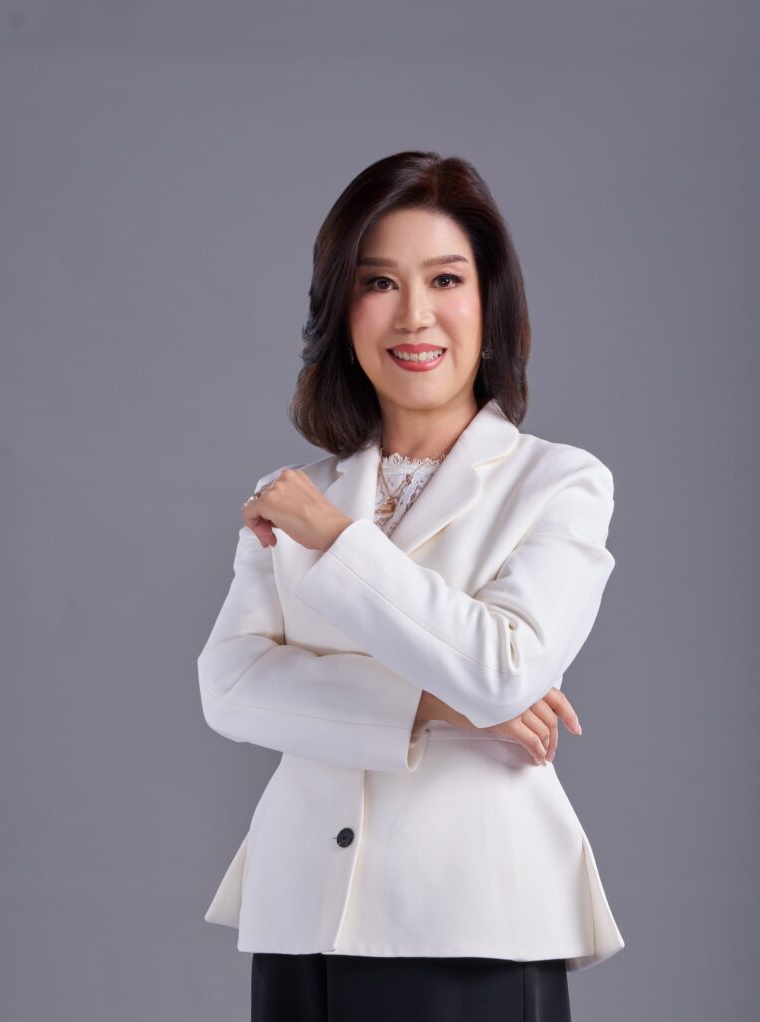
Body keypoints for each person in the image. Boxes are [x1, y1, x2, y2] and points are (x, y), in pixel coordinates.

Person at [197, 151, 624, 1022]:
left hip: (473, 918)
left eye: (446, 279)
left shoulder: (559, 482)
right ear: (342, 310)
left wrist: (336, 539)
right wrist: (433, 704)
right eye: (379, 282)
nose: (414, 314)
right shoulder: (299, 490)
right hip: (302, 913)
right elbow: (230, 688)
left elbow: (504, 670)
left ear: (490, 304)